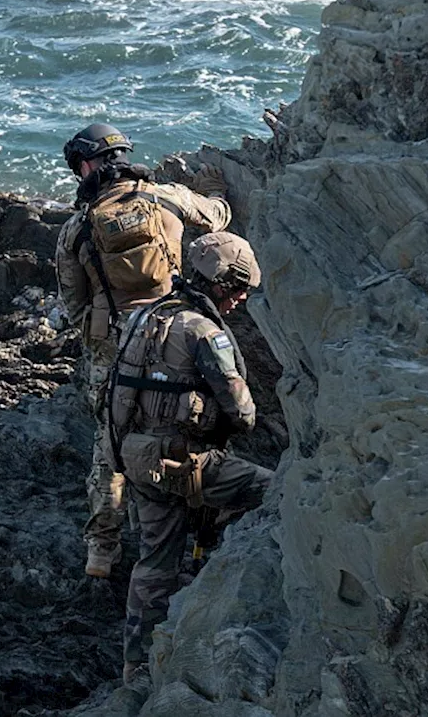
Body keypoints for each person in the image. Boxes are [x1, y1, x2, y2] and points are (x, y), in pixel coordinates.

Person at [54, 123, 233, 579]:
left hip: (112, 345)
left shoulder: (77, 226)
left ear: (87, 166)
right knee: (185, 428)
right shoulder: (167, 197)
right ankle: (193, 530)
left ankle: (102, 549)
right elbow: (216, 218)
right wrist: (214, 191)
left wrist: (101, 343)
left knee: (109, 446)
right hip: (174, 336)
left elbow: (73, 304)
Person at [107, 231, 274, 691]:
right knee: (275, 492)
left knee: (154, 563)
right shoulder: (205, 332)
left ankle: (136, 670)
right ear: (220, 283)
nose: (240, 298)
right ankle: (217, 599)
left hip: (138, 460)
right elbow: (243, 415)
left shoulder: (142, 316)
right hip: (188, 464)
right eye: (238, 287)